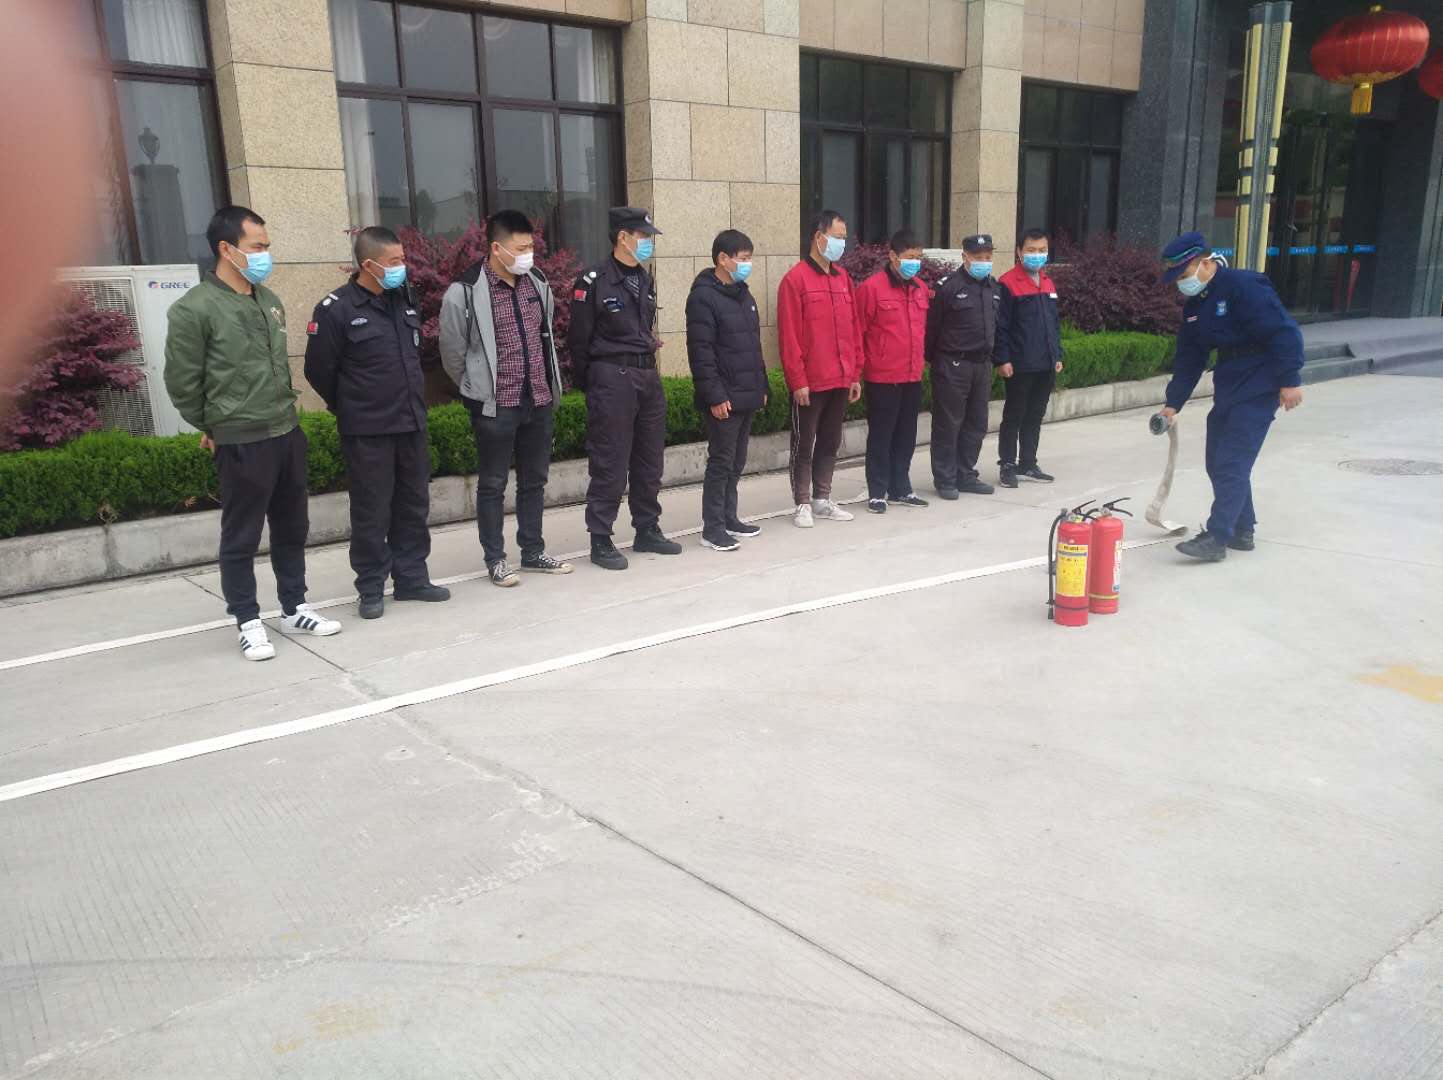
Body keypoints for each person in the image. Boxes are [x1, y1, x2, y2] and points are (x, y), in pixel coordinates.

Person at [164, 206, 341, 660]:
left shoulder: (269, 300)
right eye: (256, 247)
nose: (265, 255)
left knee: (292, 526)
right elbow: (182, 383)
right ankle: (247, 619)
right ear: (227, 249)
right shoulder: (194, 309)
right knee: (242, 535)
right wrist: (213, 425)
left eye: (267, 246)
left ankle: (294, 607)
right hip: (241, 440)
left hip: (286, 430)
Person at [304, 227, 450, 619]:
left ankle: (412, 578)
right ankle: (370, 587)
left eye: (403, 259)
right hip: (367, 430)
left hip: (410, 423)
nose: (403, 267)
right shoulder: (336, 309)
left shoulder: (404, 299)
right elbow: (318, 371)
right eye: (394, 262)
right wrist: (351, 405)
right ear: (368, 265)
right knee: (372, 510)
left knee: (413, 504)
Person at [439, 210, 573, 586]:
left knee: (534, 480)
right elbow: (452, 353)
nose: (528, 254)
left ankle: (532, 551)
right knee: (493, 484)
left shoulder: (537, 283)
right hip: (496, 403)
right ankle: (496, 559)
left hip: (537, 398)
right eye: (521, 248)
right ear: (496, 248)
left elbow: (545, 335)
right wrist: (475, 385)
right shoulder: (465, 291)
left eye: (531, 247)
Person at [1158, 231, 1304, 561]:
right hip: (1230, 382)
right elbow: (1189, 358)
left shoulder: (1244, 285)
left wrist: (1289, 380)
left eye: (1183, 274)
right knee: (1217, 460)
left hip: (1261, 381)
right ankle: (1242, 529)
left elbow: (1283, 330)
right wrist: (1172, 404)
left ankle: (1217, 537)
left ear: (1204, 262)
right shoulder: (1195, 306)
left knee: (1231, 462)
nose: (1181, 283)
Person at [570, 207, 682, 570]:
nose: (648, 243)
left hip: (646, 376)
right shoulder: (593, 281)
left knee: (649, 459)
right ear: (623, 237)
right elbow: (578, 341)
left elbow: (643, 327)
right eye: (643, 236)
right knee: (610, 460)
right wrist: (595, 384)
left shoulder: (644, 279)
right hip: (612, 377)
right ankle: (600, 538)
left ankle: (647, 528)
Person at [776, 210, 864, 528]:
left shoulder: (843, 280)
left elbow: (854, 329)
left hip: (840, 377)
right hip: (811, 381)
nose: (842, 243)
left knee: (830, 442)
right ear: (818, 237)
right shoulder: (795, 280)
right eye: (837, 237)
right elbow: (789, 336)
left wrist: (854, 373)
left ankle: (822, 498)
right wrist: (797, 380)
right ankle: (802, 502)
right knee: (804, 444)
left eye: (844, 238)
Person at [685, 229, 768, 552]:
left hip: (746, 393)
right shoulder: (703, 298)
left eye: (749, 258)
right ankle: (713, 527)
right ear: (723, 259)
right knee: (721, 462)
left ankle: (730, 518)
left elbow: (753, 347)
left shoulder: (743, 295)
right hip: (724, 398)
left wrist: (761, 385)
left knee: (737, 461)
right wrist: (715, 396)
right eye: (743, 259)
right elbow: (701, 353)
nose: (748, 265)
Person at [855, 229, 930, 514]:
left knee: (906, 435)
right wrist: (856, 374)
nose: (914, 262)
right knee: (881, 436)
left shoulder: (920, 289)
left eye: (918, 257)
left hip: (911, 375)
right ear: (893, 257)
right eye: (909, 257)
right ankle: (877, 491)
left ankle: (901, 487)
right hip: (882, 377)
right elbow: (858, 333)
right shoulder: (871, 289)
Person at [924, 234, 1000, 499]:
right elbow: (932, 329)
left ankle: (965, 474)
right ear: (965, 256)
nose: (984, 261)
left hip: (982, 366)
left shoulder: (993, 287)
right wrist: (936, 362)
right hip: (953, 365)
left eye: (988, 256)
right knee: (948, 424)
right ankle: (945, 479)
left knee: (976, 423)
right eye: (978, 257)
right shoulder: (948, 287)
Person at [994, 228, 1064, 488]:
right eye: (1031, 250)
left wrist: (1057, 355)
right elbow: (1001, 326)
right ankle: (1007, 465)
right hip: (1020, 364)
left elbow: (1053, 324)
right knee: (1014, 415)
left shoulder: (1048, 282)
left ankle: (1028, 463)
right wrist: (1002, 359)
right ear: (1019, 252)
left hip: (1045, 363)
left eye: (1042, 250)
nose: (1037, 255)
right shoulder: (1008, 283)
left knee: (1035, 415)